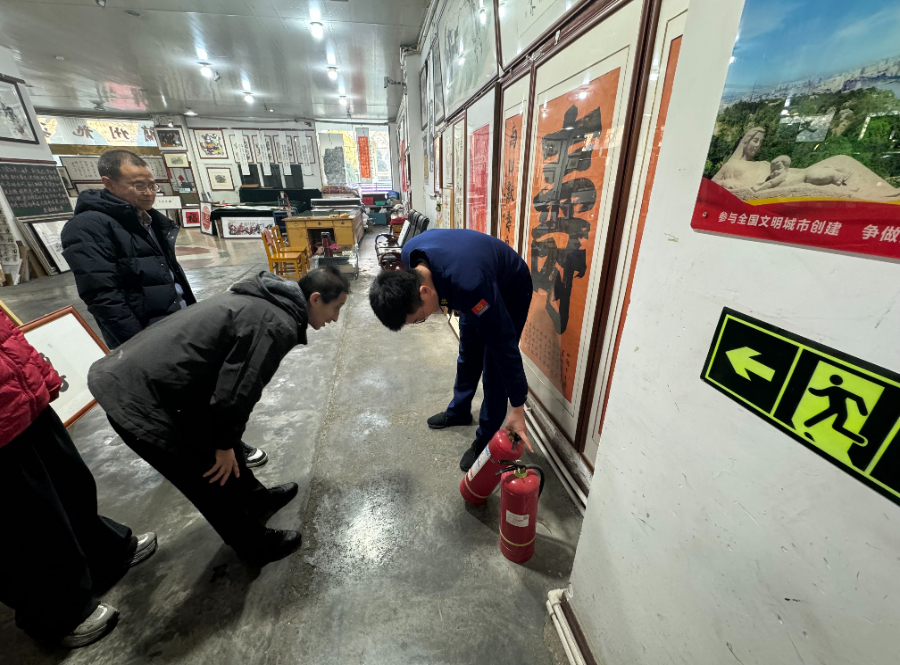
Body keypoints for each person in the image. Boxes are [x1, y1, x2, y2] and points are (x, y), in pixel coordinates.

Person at [87, 267, 350, 564]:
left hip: (161, 384)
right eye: (336, 307)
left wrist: (227, 443)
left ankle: (256, 500)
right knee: (212, 475)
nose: (335, 318)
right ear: (315, 299)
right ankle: (254, 546)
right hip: (139, 399)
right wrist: (223, 446)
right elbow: (235, 394)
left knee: (225, 442)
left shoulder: (270, 299)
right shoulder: (276, 323)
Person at [60, 149, 268, 469]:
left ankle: (220, 446)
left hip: (175, 322)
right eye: (138, 185)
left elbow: (168, 274)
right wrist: (136, 343)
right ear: (108, 183)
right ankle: (211, 452)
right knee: (177, 397)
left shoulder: (147, 220)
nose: (148, 192)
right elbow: (101, 295)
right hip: (145, 332)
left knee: (199, 386)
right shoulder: (87, 227)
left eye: (151, 185)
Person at [0, 311, 156, 648]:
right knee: (23, 525)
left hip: (19, 392)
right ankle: (58, 611)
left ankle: (102, 555)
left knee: (71, 483)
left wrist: (39, 373)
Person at [368, 229, 534, 471]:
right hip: (473, 275)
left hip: (510, 287)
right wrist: (451, 299)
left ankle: (485, 439)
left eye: (419, 319)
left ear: (424, 291)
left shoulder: (471, 287)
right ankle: (459, 411)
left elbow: (504, 346)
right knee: (468, 351)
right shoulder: (410, 253)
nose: (423, 320)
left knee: (494, 364)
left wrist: (518, 407)